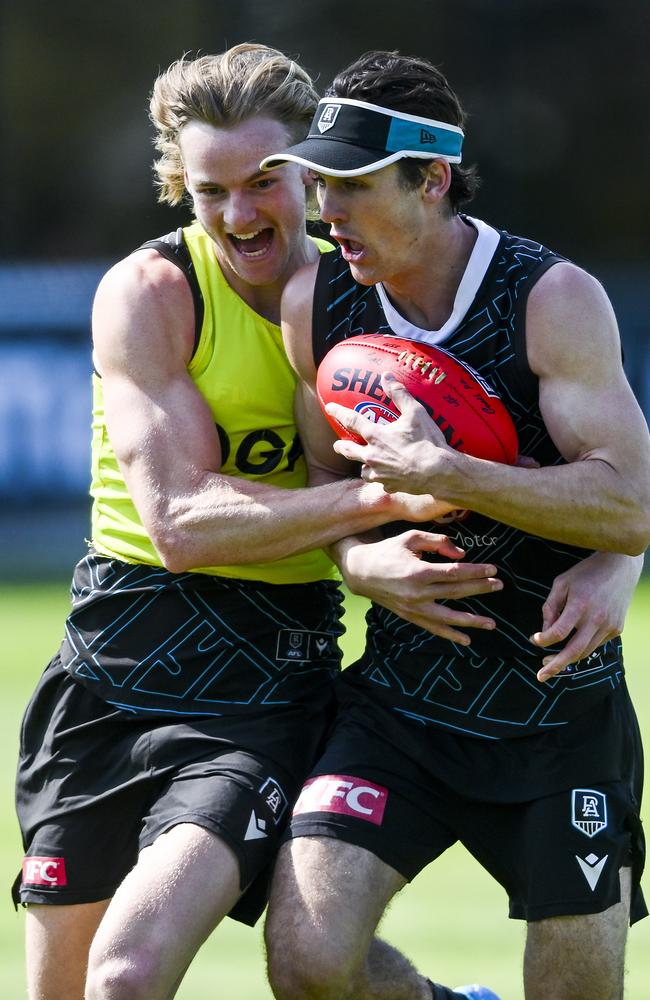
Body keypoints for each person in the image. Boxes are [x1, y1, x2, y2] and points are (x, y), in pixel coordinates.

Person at [13, 43, 641, 1000]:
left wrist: (609, 558)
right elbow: (250, 498)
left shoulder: (524, 297)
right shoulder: (255, 298)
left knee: (129, 979)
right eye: (210, 189)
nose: (300, 210)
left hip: (423, 686)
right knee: (219, 972)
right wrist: (368, 542)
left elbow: (627, 496)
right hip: (250, 673)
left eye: (290, 181)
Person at [260, 51, 650, 1000]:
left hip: (556, 703)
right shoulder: (317, 301)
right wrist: (357, 560)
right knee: (308, 961)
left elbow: (630, 504)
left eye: (351, 185)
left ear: (431, 179)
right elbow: (325, 472)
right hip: (400, 700)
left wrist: (453, 474)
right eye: (319, 185)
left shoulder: (550, 299)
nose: (326, 212)